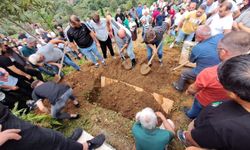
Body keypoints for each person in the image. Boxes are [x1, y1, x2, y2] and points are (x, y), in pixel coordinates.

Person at [177, 54, 250, 150]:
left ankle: (185, 133)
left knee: (193, 114)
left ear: (233, 94)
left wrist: (190, 140)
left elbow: (197, 138)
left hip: (202, 117)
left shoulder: (219, 125)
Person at [184, 31, 250, 119]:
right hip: (223, 106)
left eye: (218, 49)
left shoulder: (209, 73)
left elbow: (194, 88)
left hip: (204, 101)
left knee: (195, 110)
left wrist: (189, 91)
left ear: (223, 52)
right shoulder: (246, 72)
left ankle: (190, 115)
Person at [0, 102, 106, 150]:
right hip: (6, 132)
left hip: (6, 119)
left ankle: (68, 144)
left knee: (48, 139)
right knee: (49, 139)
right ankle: (85, 147)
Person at [173, 25, 222, 92]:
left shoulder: (197, 48)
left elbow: (191, 61)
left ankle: (179, 87)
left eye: (195, 35)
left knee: (184, 72)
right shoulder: (220, 36)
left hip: (206, 73)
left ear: (199, 37)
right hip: (221, 70)